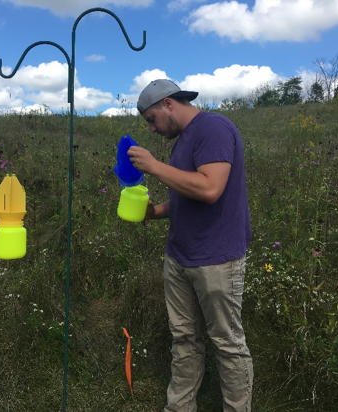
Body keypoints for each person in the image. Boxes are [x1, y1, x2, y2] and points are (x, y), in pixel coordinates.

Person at [127, 79, 253, 412]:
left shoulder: (213, 128)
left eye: (152, 119)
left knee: (227, 344)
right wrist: (154, 212)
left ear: (169, 104)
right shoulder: (181, 144)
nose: (152, 129)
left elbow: (210, 188)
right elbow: (188, 195)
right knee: (184, 341)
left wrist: (153, 166)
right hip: (180, 256)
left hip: (216, 259)